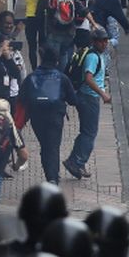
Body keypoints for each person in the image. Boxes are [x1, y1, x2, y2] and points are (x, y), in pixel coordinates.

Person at [18, 45, 79, 184]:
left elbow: (21, 97)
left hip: (37, 118)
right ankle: (52, 178)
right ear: (57, 61)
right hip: (55, 117)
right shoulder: (62, 78)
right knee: (53, 147)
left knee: (45, 146)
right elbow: (73, 100)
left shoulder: (31, 77)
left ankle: (50, 175)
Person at [64, 28, 112, 180]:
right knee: (89, 133)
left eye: (106, 40)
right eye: (101, 41)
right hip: (88, 98)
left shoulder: (96, 54)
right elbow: (89, 78)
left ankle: (75, 161)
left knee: (86, 131)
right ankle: (77, 162)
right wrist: (103, 93)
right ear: (94, 42)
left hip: (87, 97)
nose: (104, 44)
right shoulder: (92, 57)